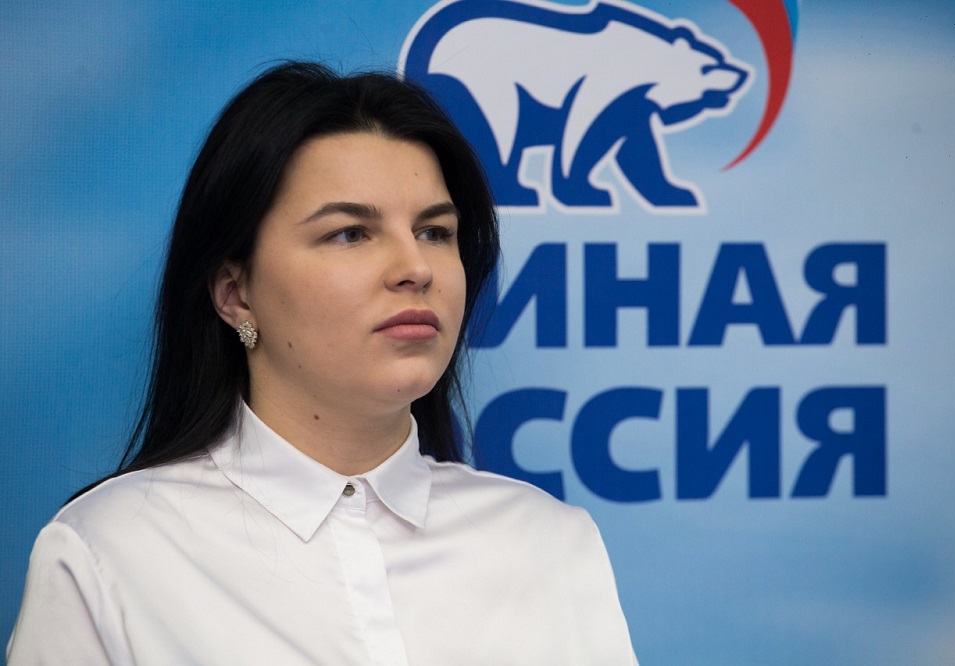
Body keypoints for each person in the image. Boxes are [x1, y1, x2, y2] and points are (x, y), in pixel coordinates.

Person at [7, 61, 636, 665]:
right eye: (350, 233)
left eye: (435, 232)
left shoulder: (549, 542)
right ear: (235, 293)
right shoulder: (109, 556)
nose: (415, 268)